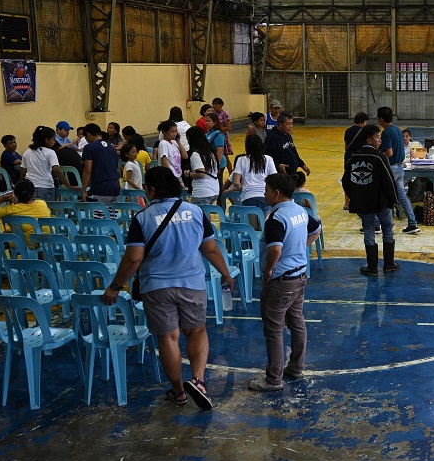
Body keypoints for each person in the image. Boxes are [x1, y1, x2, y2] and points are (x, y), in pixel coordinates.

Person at [101, 166, 235, 410]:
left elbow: (133, 258)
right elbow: (211, 249)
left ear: (151, 190)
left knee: (168, 337)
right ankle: (198, 380)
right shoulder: (195, 211)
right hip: (192, 283)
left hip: (156, 286)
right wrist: (226, 273)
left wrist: (115, 286)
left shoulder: (142, 218)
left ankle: (178, 392)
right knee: (196, 331)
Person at [248, 173, 321, 392]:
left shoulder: (276, 218)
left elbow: (276, 248)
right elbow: (316, 229)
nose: (264, 193)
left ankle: (273, 379)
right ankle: (296, 367)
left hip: (280, 280)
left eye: (267, 189)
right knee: (297, 321)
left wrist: (268, 268)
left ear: (276, 193)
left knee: (274, 329)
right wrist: (300, 248)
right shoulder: (300, 211)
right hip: (300, 276)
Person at [342, 124, 400, 275]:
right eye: (377, 137)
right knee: (387, 229)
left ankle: (372, 266)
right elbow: (389, 180)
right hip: (382, 202)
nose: (380, 141)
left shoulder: (353, 158)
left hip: (364, 203)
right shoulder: (379, 157)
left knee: (369, 230)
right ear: (369, 140)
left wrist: (354, 197)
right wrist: (394, 199)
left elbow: (345, 181)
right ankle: (389, 264)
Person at [376, 107, 420, 235]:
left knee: (382, 195)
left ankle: (378, 224)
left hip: (391, 168)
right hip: (400, 168)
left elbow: (389, 153)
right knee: (402, 196)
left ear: (381, 119)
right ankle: (412, 222)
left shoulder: (387, 133)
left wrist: (377, 153)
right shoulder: (397, 130)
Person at [22, 126, 73, 201]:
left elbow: (23, 172)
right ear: (47, 140)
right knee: (47, 210)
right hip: (45, 187)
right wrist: (68, 185)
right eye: (53, 140)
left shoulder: (27, 152)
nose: (55, 142)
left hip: (30, 187)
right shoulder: (50, 152)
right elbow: (56, 170)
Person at [0, 179, 50, 245]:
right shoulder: (42, 203)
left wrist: (0, 200)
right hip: (48, 243)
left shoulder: (11, 209)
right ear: (33, 192)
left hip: (25, 245)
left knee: (7, 234)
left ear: (15, 195)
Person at [81, 123, 121, 210]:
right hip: (116, 188)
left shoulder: (89, 147)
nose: (87, 141)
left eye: (86, 138)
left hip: (100, 189)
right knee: (112, 220)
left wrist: (84, 189)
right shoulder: (111, 148)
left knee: (99, 221)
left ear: (88, 134)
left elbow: (87, 170)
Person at [232, 134, 277, 210]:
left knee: (251, 222)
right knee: (264, 221)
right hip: (265, 196)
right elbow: (275, 179)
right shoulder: (268, 159)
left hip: (248, 196)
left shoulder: (241, 159)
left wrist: (243, 188)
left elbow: (236, 182)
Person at [265, 112, 311, 177]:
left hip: (291, 173)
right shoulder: (272, 138)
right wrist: (277, 166)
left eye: (291, 124)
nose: (290, 126)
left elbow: (294, 152)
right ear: (280, 124)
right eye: (287, 124)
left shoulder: (288, 136)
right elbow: (267, 156)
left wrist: (302, 164)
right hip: (280, 175)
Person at [183, 126, 220, 205]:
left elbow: (201, 173)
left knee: (200, 215)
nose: (188, 142)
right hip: (214, 189)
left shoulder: (196, 154)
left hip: (202, 191)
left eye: (188, 139)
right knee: (206, 213)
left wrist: (188, 174)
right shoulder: (210, 152)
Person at [156, 120, 188, 186]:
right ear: (164, 132)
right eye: (172, 132)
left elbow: (185, 156)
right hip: (169, 176)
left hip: (178, 175)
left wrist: (178, 142)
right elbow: (164, 163)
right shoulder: (163, 144)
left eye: (176, 131)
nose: (174, 134)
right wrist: (172, 177)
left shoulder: (174, 142)